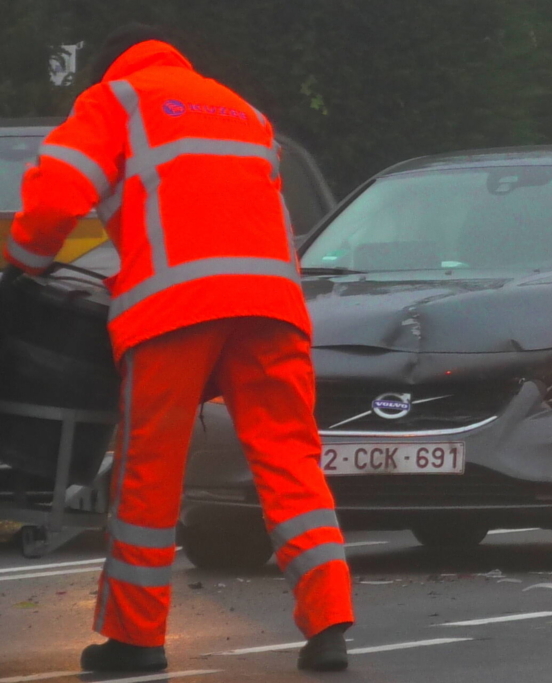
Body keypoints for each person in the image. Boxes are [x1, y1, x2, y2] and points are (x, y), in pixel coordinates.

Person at [1, 25, 354, 673]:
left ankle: (137, 639)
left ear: (105, 73)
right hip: (272, 308)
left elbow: (56, 195)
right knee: (290, 461)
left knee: (149, 473)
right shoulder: (240, 110)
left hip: (175, 309)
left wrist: (21, 263)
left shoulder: (117, 101)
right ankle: (329, 622)